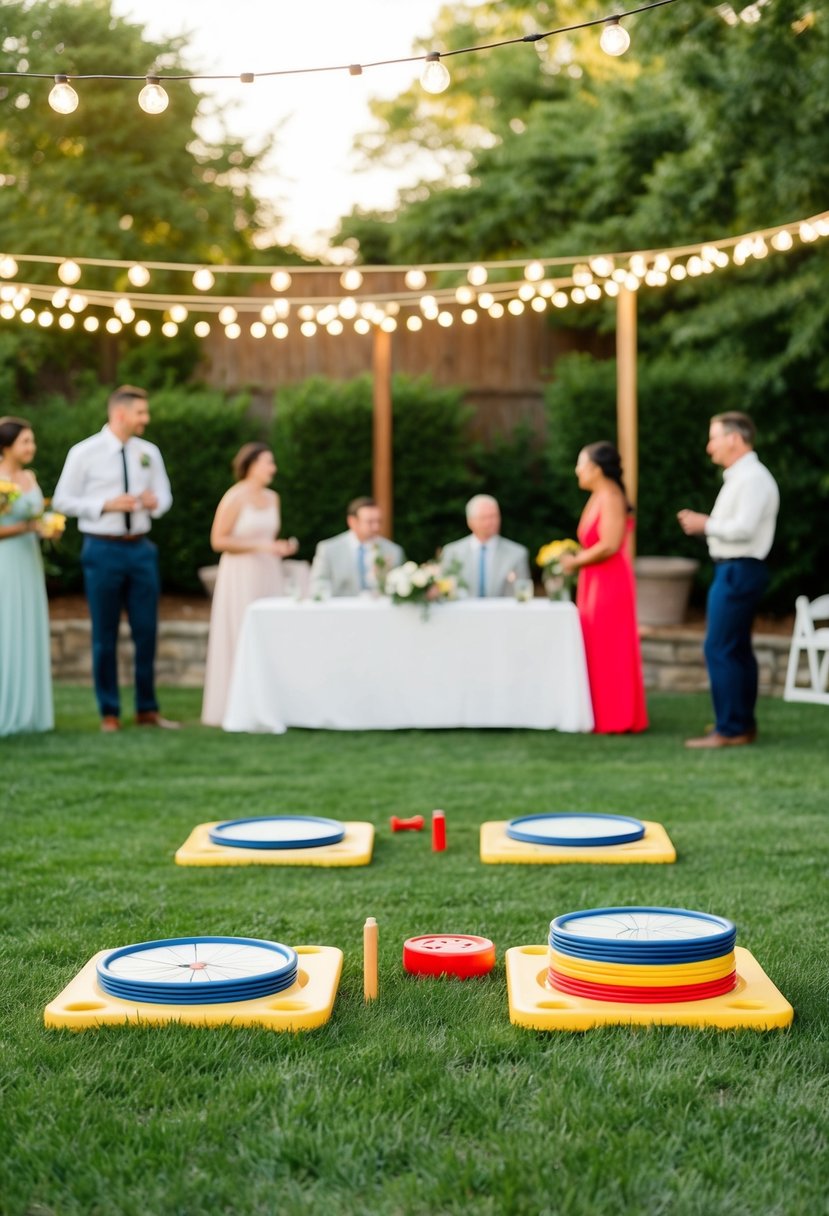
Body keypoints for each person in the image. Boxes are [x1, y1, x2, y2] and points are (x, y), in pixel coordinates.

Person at [52, 385, 176, 732]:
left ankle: (147, 709)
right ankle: (109, 711)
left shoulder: (148, 452)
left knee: (147, 631)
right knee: (104, 634)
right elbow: (62, 500)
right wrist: (105, 504)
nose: (146, 420)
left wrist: (156, 503)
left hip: (140, 549)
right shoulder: (84, 453)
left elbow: (165, 496)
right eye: (141, 413)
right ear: (120, 414)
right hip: (102, 548)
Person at [678, 411, 779, 748]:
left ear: (734, 439)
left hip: (739, 569)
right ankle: (740, 724)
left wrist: (705, 524)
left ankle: (730, 728)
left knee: (720, 647)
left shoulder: (753, 479)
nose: (710, 447)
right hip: (735, 569)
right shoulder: (743, 477)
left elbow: (744, 528)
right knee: (735, 648)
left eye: (714, 438)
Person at [201, 443, 298, 726]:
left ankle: (269, 701)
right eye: (269, 462)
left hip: (269, 570)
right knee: (240, 631)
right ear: (252, 465)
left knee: (269, 632)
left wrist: (277, 548)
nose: (273, 468)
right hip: (240, 573)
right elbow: (218, 540)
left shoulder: (273, 498)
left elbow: (269, 536)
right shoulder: (234, 498)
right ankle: (235, 703)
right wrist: (260, 545)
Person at [559, 442, 648, 734]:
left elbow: (609, 544)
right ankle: (598, 712)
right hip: (594, 579)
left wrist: (574, 561)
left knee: (609, 645)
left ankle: (616, 717)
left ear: (596, 469)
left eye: (581, 465)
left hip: (609, 581)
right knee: (595, 643)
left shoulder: (611, 496)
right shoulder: (598, 495)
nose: (577, 470)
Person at [0, 417, 54, 735]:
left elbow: (38, 514)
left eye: (32, 441)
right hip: (5, 561)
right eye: (25, 442)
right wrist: (27, 527)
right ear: (6, 446)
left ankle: (31, 712)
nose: (31, 447)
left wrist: (47, 527)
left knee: (27, 623)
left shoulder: (30, 477)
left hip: (29, 559)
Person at [310, 497, 404, 597]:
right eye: (370, 522)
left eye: (379, 521)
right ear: (352, 522)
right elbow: (318, 584)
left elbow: (400, 587)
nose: (376, 527)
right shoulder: (328, 549)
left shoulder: (394, 550)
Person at [440, 494, 530, 597]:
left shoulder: (517, 554)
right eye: (484, 518)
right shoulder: (452, 552)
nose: (490, 522)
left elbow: (522, 594)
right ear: (470, 521)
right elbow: (444, 593)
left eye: (493, 516)